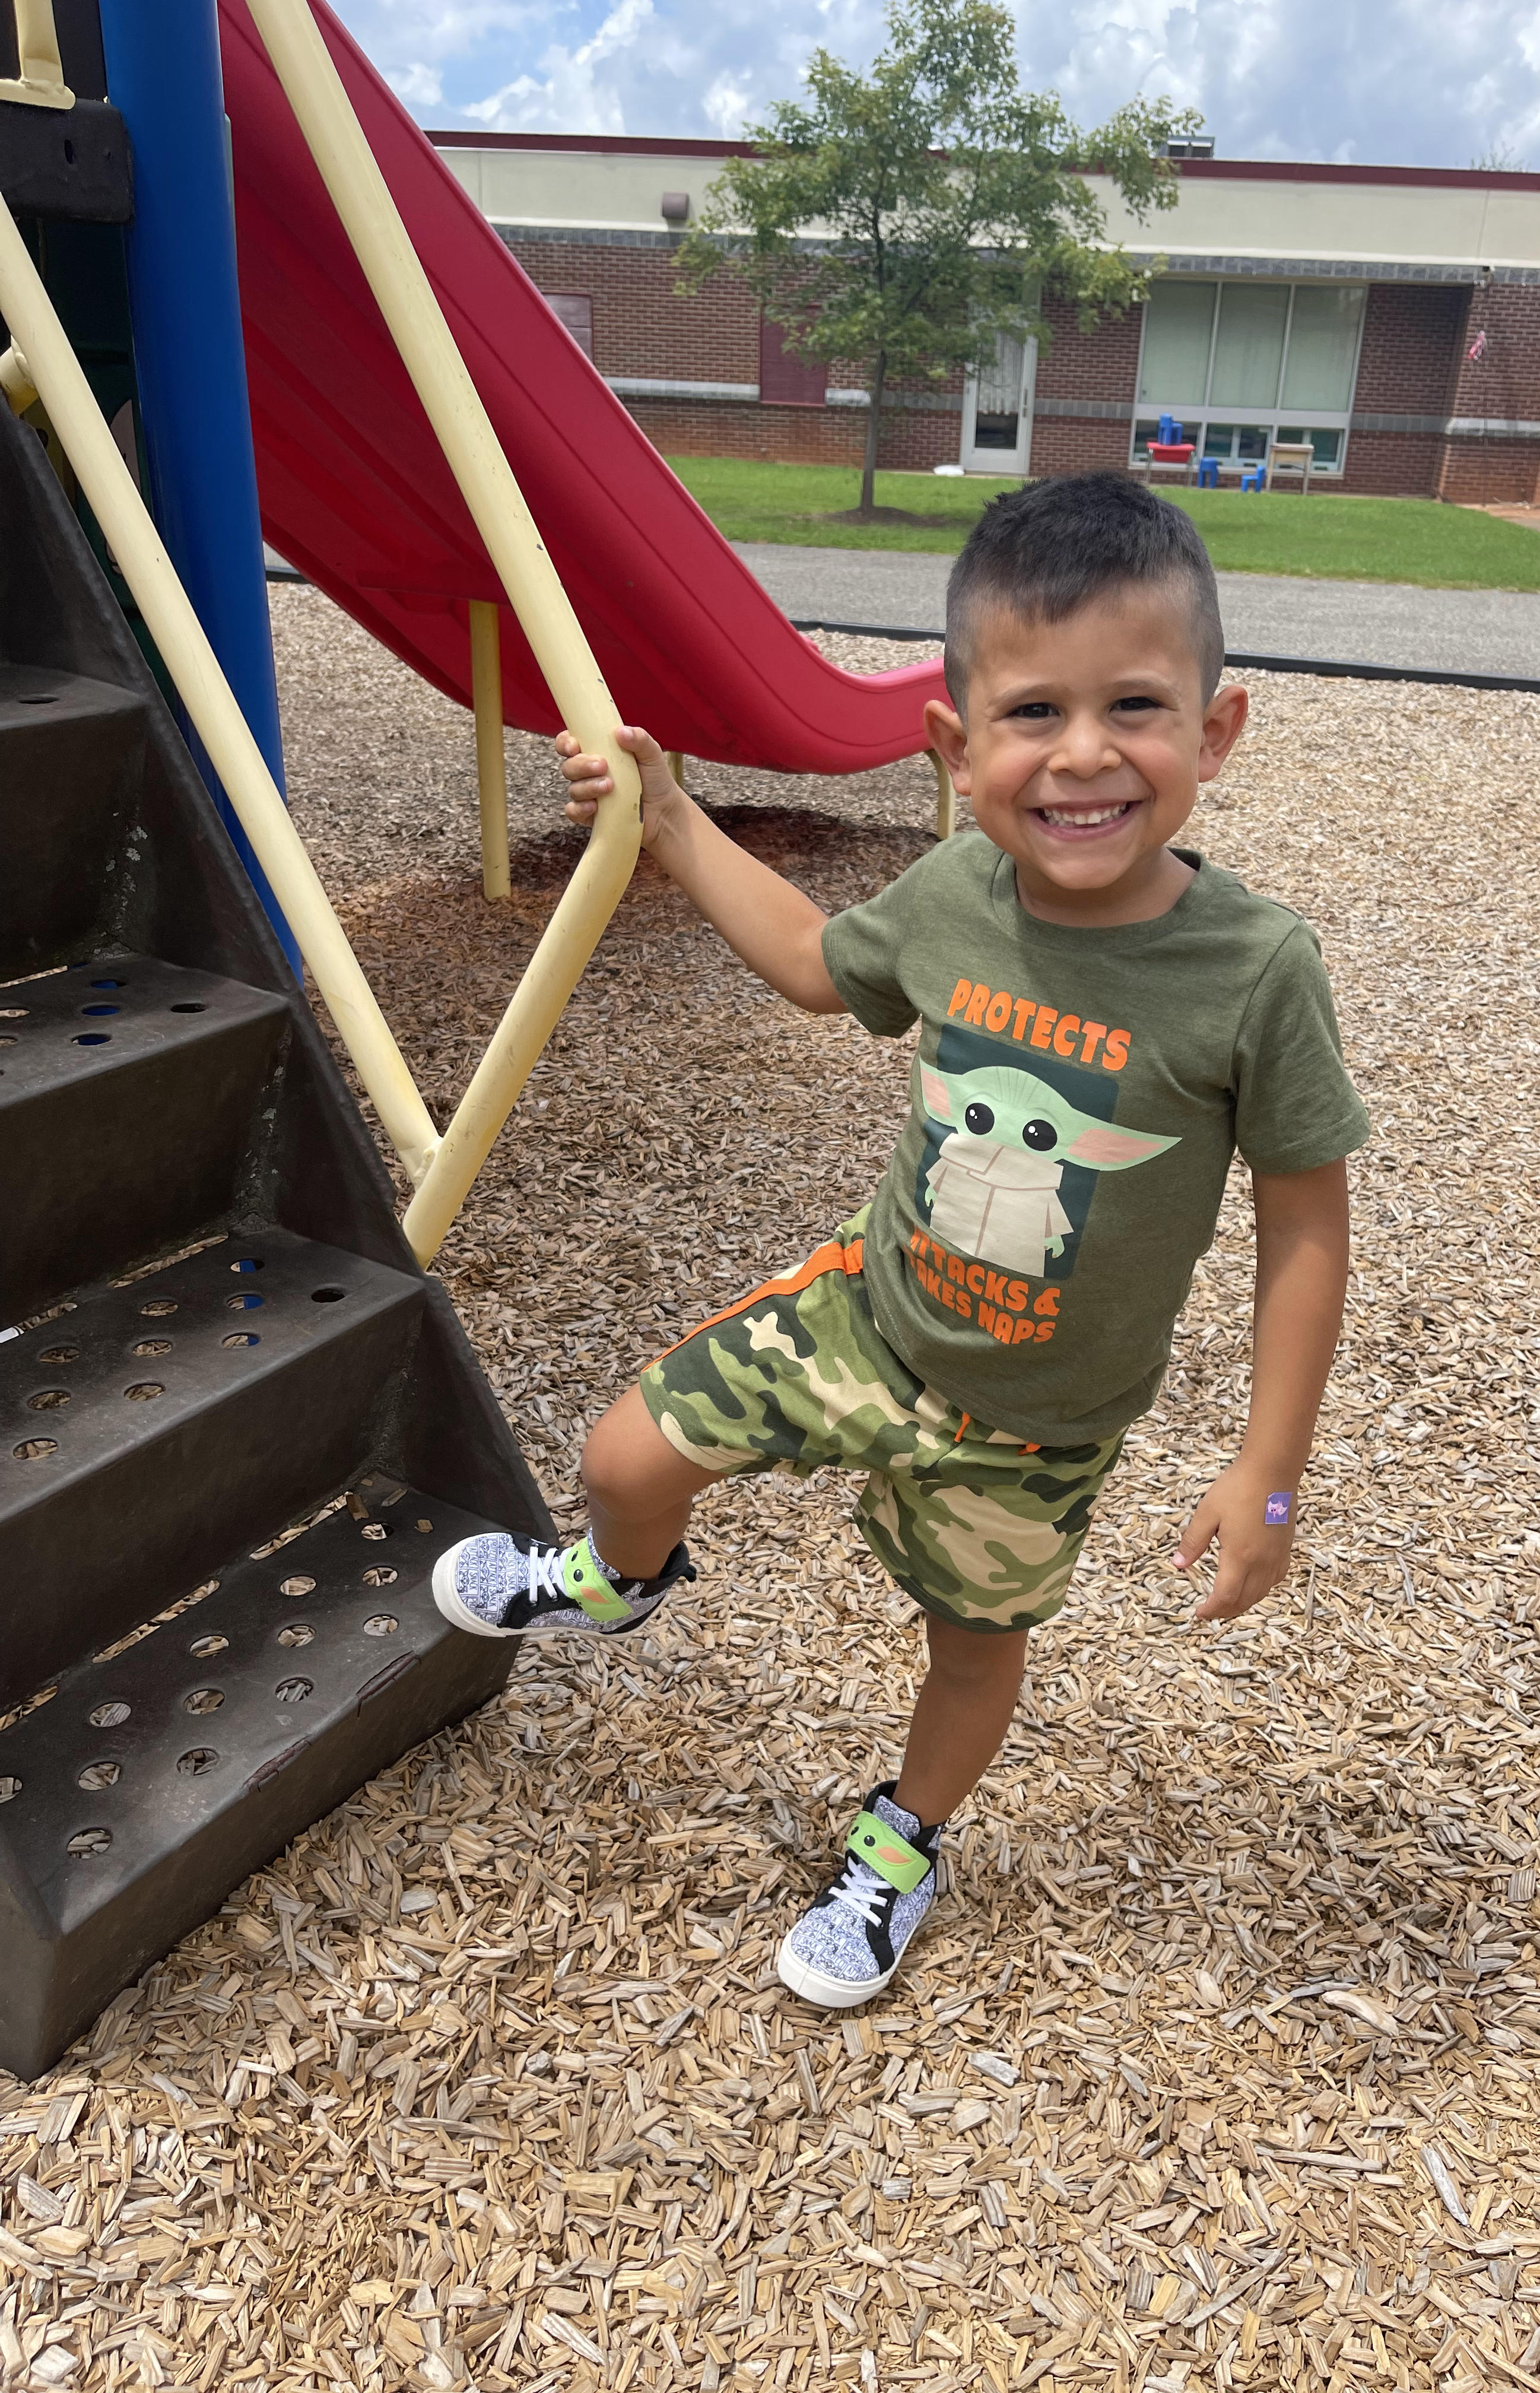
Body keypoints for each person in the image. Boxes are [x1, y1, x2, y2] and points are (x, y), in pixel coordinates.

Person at [433, 472, 1368, 2008]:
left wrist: (1269, 1473)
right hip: (871, 1318)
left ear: (1215, 731)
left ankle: (901, 1845)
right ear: (956, 746)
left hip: (1037, 1429)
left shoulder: (1253, 973)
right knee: (620, 1461)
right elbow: (815, 965)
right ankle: (617, 1582)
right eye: (1031, 713)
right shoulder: (953, 891)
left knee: (970, 1652)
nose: (1082, 754)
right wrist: (669, 817)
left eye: (1134, 705)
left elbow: (1305, 1223)